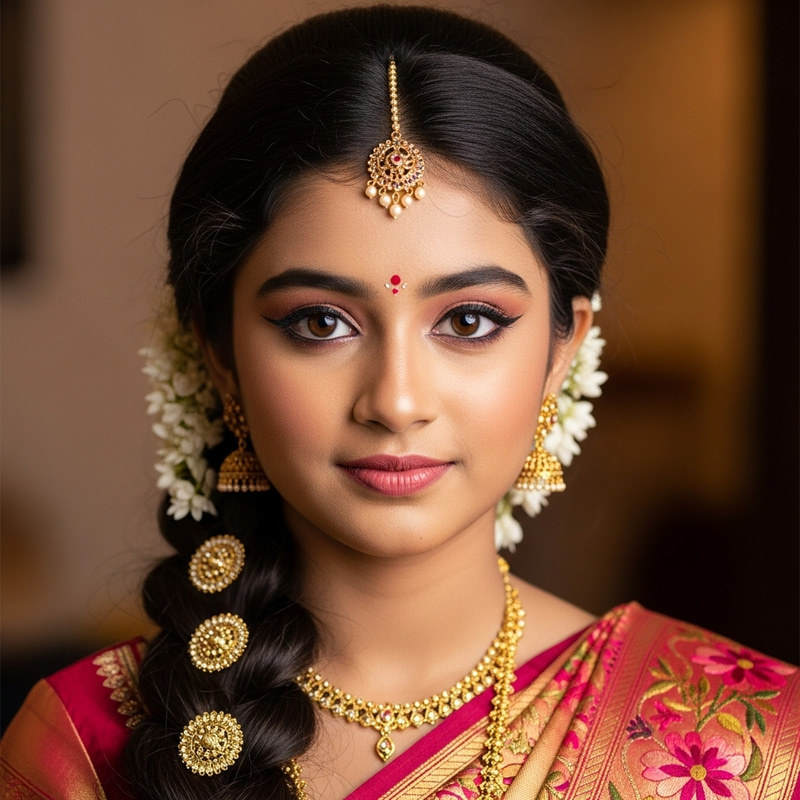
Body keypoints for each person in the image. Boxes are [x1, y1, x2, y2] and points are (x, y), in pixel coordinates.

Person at [1, 6, 797, 799]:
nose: (397, 400)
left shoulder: (740, 740)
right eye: (321, 323)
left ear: (564, 348)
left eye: (469, 321)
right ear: (219, 353)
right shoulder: (87, 749)